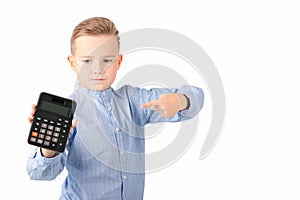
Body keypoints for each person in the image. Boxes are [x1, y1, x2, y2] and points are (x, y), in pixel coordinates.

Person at [26, 17, 204, 200]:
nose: (98, 69)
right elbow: (38, 173)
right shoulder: (69, 112)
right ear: (73, 63)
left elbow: (197, 95)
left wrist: (179, 101)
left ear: (118, 62)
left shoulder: (133, 100)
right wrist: (48, 149)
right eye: (87, 61)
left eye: (107, 60)